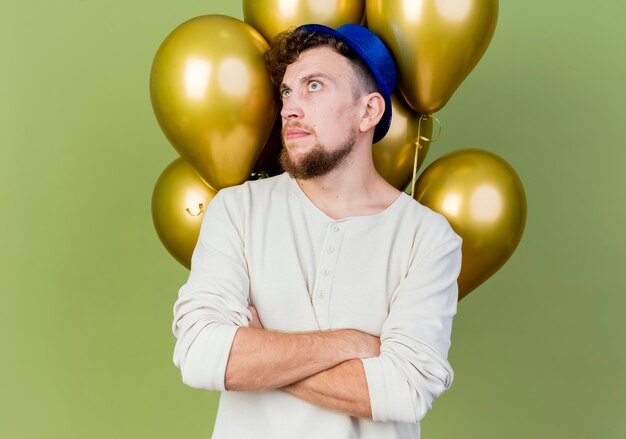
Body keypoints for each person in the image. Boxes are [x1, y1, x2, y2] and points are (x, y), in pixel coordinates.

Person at [172, 23, 463, 439]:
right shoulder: (237, 210)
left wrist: (260, 356)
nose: (290, 107)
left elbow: (405, 390)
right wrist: (349, 343)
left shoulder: (428, 238)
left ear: (368, 112)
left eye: (314, 86)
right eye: (287, 91)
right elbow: (200, 354)